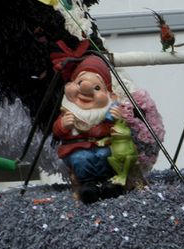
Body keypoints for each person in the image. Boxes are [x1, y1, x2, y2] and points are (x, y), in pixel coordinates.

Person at [51, 55, 129, 203]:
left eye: (97, 87)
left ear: (109, 95)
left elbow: (120, 130)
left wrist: (119, 119)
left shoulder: (107, 110)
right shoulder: (68, 110)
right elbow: (56, 131)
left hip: (103, 144)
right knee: (81, 159)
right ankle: (88, 186)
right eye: (80, 82)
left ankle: (109, 184)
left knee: (106, 155)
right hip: (76, 147)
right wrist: (63, 125)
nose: (86, 88)